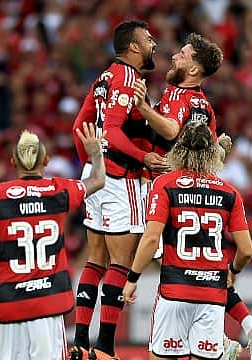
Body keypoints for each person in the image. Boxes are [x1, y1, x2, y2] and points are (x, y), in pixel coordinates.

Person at [132, 34, 252, 360]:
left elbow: (169, 131)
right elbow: (204, 142)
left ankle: (225, 343)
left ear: (194, 68)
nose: (174, 57)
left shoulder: (187, 99)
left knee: (150, 256)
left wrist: (141, 108)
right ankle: (247, 329)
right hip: (196, 193)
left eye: (182, 54)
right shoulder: (194, 101)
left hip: (170, 192)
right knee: (205, 270)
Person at [0, 123, 106, 360]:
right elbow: (98, 180)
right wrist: (95, 153)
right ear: (47, 160)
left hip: (8, 304)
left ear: (12, 162)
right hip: (48, 304)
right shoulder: (59, 190)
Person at [70, 20, 166, 360]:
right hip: (118, 177)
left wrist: (91, 165)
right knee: (120, 263)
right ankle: (106, 347)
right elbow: (110, 131)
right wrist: (145, 158)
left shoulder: (105, 77)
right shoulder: (128, 77)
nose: (155, 43)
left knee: (95, 259)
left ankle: (81, 341)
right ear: (134, 46)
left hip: (95, 175)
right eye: (149, 38)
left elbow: (79, 125)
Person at [123, 120, 252, 360]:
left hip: (174, 292)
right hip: (212, 298)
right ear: (214, 153)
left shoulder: (165, 184)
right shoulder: (230, 192)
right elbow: (246, 250)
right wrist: (233, 271)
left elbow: (151, 239)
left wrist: (132, 278)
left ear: (179, 150)